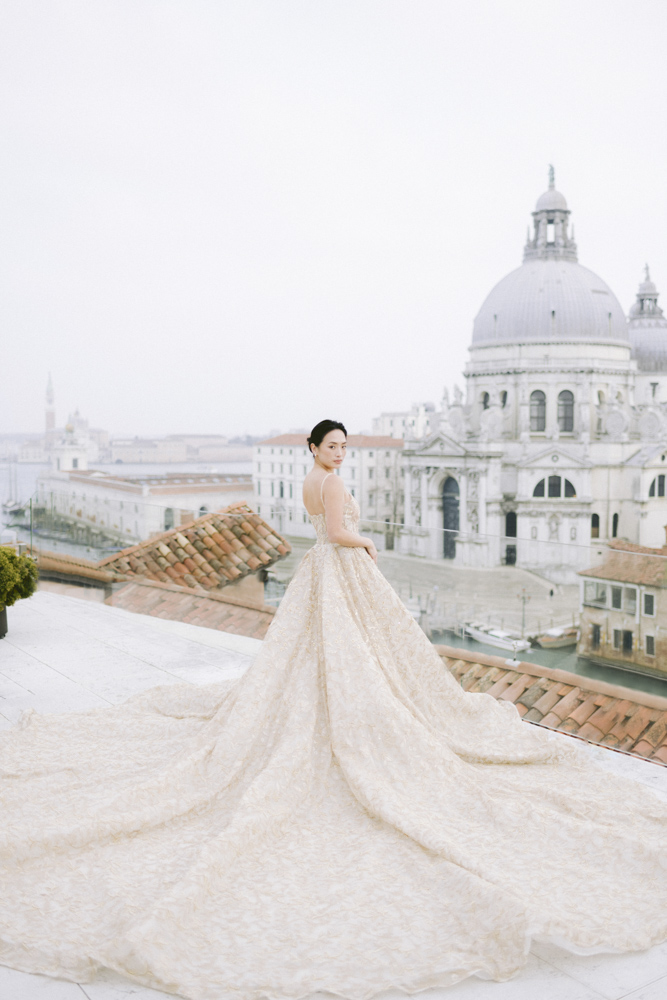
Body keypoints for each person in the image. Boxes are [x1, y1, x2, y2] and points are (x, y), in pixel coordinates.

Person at [1, 418, 666, 1000]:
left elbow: (322, 529)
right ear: (319, 448)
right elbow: (344, 534)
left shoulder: (306, 484)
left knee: (313, 657)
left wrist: (344, 536)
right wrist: (368, 545)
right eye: (335, 445)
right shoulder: (337, 487)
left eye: (346, 445)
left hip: (315, 572)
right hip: (342, 566)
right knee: (363, 657)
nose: (341, 453)